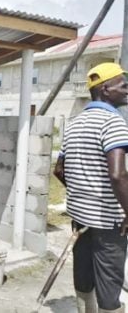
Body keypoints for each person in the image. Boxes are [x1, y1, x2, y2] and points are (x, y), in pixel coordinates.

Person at [54, 62, 128, 313]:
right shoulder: (113, 121)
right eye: (123, 85)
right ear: (105, 89)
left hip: (80, 218)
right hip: (108, 222)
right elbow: (118, 175)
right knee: (109, 286)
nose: (127, 90)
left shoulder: (74, 124)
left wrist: (81, 190)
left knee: (83, 276)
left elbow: (59, 170)